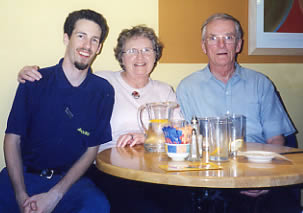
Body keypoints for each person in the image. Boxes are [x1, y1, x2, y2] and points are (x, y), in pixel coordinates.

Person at [17, 25, 186, 213]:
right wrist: (30, 73)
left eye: (147, 50)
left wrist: (148, 137)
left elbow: (181, 132)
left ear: (156, 55)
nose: (140, 57)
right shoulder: (103, 82)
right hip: (112, 171)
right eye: (132, 51)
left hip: (158, 170)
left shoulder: (164, 90)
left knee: (184, 203)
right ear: (121, 56)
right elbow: (69, 80)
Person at [176, 13, 301, 213]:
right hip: (213, 178)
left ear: (238, 44)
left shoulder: (260, 83)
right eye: (213, 38)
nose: (221, 45)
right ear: (203, 46)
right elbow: (188, 144)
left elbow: (276, 139)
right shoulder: (187, 87)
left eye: (228, 37)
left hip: (260, 170)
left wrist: (263, 179)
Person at [0, 9, 114, 213]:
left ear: (99, 48)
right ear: (66, 38)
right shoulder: (34, 82)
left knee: (98, 206)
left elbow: (91, 151)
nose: (87, 46)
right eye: (81, 36)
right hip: (22, 177)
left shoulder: (103, 91)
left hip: (70, 183)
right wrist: (20, 194)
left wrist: (56, 194)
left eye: (94, 40)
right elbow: (12, 139)